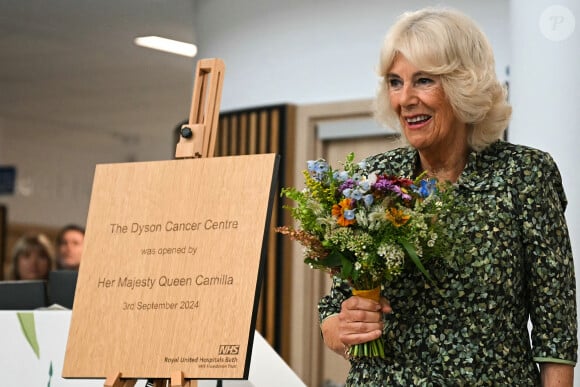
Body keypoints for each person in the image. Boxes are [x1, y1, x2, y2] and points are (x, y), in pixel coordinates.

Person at [318, 7, 577, 386]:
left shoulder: (524, 175)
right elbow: (333, 308)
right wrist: (342, 326)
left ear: (464, 83)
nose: (404, 98)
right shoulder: (373, 180)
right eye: (395, 81)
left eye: (423, 80)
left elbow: (557, 333)